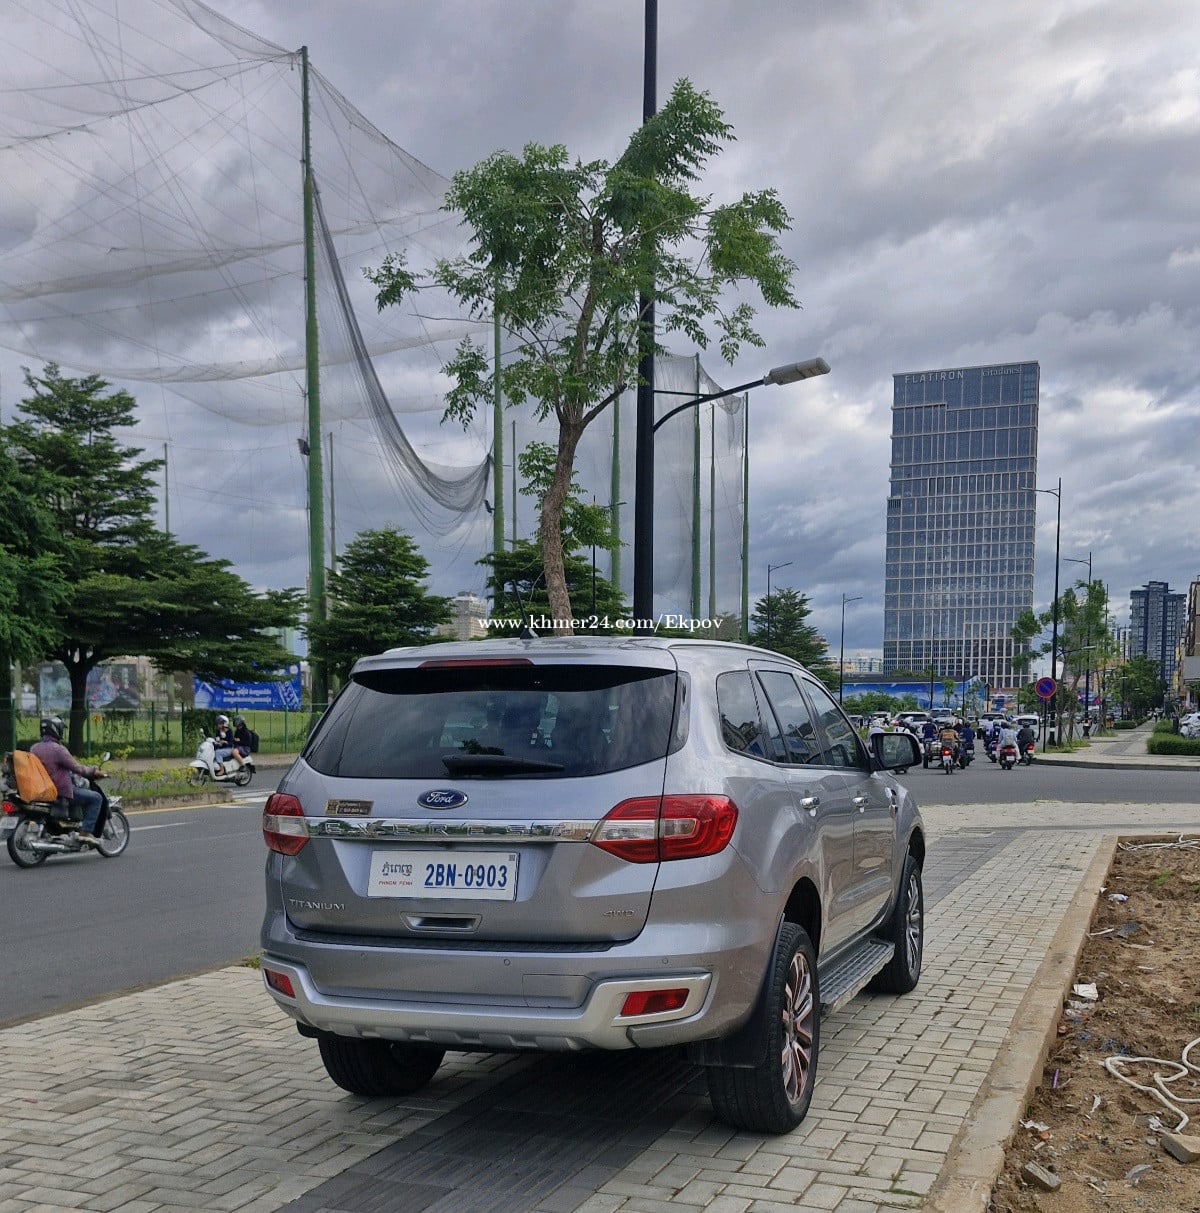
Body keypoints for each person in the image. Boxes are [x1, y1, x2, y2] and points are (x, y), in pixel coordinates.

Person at [30, 715, 104, 845]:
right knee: (96, 798)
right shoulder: (58, 750)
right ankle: (85, 832)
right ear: (56, 730)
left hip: (42, 789)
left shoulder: (34, 748)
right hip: (60, 791)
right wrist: (94, 771)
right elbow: (78, 768)